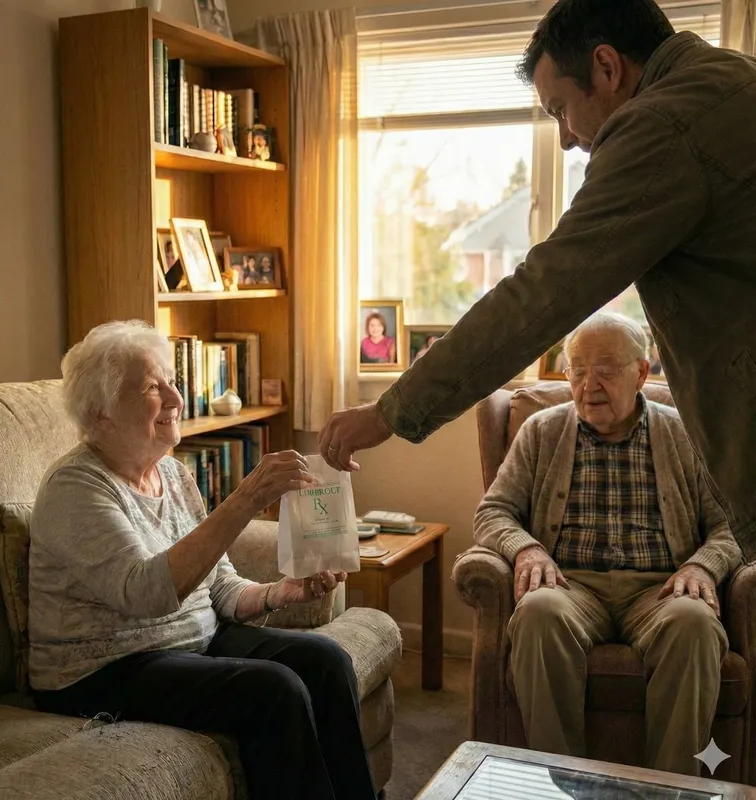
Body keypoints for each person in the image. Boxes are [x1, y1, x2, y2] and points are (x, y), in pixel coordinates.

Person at [318, 0, 756, 560]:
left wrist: (390, 410)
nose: (567, 139)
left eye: (559, 110)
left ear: (607, 67)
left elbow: (543, 293)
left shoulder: (662, 125)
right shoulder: (734, 78)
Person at [28, 320, 376, 800]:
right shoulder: (75, 489)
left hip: (190, 642)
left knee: (325, 659)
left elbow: (220, 586)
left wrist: (280, 593)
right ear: (102, 413)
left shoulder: (172, 473)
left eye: (172, 380)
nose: (175, 397)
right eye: (154, 387)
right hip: (102, 669)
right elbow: (146, 593)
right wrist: (246, 497)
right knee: (273, 689)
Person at [475, 312, 741, 775]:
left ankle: (669, 787)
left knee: (694, 624)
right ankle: (561, 784)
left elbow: (731, 525)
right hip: (571, 585)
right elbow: (492, 511)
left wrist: (702, 566)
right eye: (577, 369)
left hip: (659, 589)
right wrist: (527, 548)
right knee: (538, 612)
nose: (588, 384)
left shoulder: (685, 433)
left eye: (606, 369)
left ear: (641, 372)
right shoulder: (540, 431)